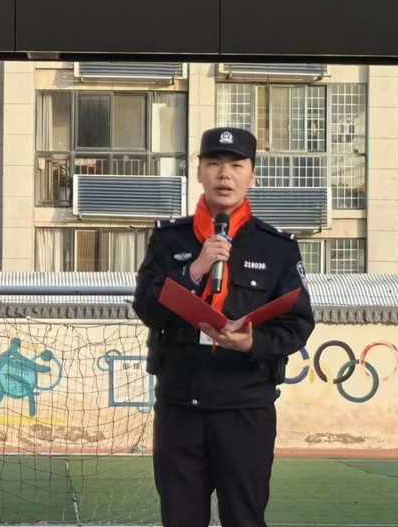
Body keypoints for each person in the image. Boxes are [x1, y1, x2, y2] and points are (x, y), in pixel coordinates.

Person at [132, 126, 315, 527]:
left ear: (252, 175)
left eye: (236, 165)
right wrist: (195, 269)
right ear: (199, 171)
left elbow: (299, 322)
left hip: (246, 407)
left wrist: (252, 343)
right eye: (213, 163)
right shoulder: (168, 240)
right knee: (180, 520)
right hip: (180, 406)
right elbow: (146, 307)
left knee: (244, 519)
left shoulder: (277, 247)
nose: (224, 174)